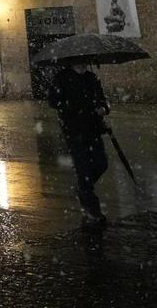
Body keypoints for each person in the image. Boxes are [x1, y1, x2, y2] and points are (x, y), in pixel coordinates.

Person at [47, 63, 111, 224]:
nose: (82, 64)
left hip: (93, 128)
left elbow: (102, 99)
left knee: (101, 163)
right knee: (83, 169)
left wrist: (103, 108)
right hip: (74, 130)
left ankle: (83, 189)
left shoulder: (91, 78)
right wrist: (72, 107)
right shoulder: (62, 78)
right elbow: (53, 101)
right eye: (79, 61)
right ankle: (93, 211)